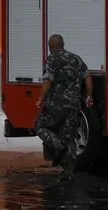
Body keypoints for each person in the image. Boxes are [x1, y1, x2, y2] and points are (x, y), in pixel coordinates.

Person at [35, 33, 93, 176]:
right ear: (63, 44)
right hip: (74, 106)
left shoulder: (52, 59)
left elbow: (48, 81)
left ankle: (58, 147)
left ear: (51, 46)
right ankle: (69, 172)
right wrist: (89, 95)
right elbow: (87, 78)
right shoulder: (76, 59)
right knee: (70, 136)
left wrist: (41, 98)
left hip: (57, 105)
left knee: (39, 126)